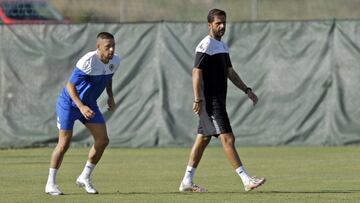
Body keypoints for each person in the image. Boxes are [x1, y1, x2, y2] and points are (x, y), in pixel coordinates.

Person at [179, 9, 266, 192]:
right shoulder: (206, 45)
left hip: (218, 99)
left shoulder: (222, 46)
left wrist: (246, 90)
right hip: (210, 102)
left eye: (224, 22)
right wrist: (198, 98)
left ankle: (187, 180)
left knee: (203, 139)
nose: (222, 26)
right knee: (228, 138)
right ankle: (246, 180)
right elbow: (196, 72)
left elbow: (230, 72)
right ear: (209, 25)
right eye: (218, 23)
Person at [45, 32, 121, 195]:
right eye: (108, 46)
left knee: (103, 140)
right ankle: (50, 183)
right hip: (70, 104)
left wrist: (110, 96)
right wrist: (80, 107)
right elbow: (69, 86)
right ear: (98, 47)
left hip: (89, 104)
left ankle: (84, 177)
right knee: (64, 144)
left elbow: (108, 77)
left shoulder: (116, 60)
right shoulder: (88, 61)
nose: (112, 49)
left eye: (113, 45)